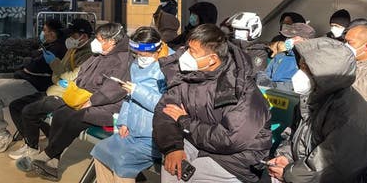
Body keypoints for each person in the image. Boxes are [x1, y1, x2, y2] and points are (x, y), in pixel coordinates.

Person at [268, 38, 367, 182]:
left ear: (323, 73)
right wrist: (285, 157)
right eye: (300, 66)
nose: (299, 73)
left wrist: (289, 174)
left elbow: (333, 168)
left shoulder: (347, 114)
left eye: (306, 68)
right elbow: (294, 134)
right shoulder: (311, 100)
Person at [154, 24, 272, 183]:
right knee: (172, 168)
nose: (185, 55)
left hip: (235, 159)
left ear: (212, 59)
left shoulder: (243, 90)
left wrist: (186, 122)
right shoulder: (186, 75)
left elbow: (231, 138)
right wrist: (172, 148)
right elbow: (165, 111)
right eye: (187, 48)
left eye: (192, 52)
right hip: (196, 141)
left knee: (188, 177)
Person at [29, 23, 132, 181]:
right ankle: (54, 163)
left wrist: (91, 101)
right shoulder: (99, 54)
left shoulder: (122, 60)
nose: (94, 42)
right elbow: (82, 74)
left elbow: (114, 90)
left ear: (111, 41)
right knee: (60, 113)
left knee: (75, 119)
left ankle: (48, 155)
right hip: (85, 98)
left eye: (98, 39)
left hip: (109, 107)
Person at [0, 19, 67, 153]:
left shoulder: (58, 48)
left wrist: (31, 62)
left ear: (52, 34)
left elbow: (36, 66)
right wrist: (30, 61)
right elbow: (31, 62)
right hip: (22, 78)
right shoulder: (46, 46)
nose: (42, 33)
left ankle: (2, 133)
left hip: (33, 84)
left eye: (44, 30)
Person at [91, 27, 171, 183]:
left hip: (153, 137)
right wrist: (123, 122)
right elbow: (129, 98)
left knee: (123, 162)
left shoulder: (169, 68)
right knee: (101, 152)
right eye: (137, 54)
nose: (140, 58)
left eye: (143, 54)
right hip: (132, 131)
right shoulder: (136, 65)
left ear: (157, 48)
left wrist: (137, 91)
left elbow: (165, 105)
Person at [8, 19, 95, 160]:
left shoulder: (89, 55)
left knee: (28, 111)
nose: (69, 39)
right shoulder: (72, 49)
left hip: (66, 97)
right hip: (55, 90)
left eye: (72, 35)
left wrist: (57, 68)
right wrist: (59, 73)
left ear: (83, 37)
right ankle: (29, 143)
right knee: (16, 106)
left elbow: (71, 77)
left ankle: (32, 148)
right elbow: (58, 75)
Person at [263, 23, 315, 91]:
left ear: (305, 40)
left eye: (292, 37)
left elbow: (301, 86)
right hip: (269, 94)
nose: (287, 40)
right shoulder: (281, 55)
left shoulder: (310, 60)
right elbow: (266, 73)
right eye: (287, 37)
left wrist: (274, 86)